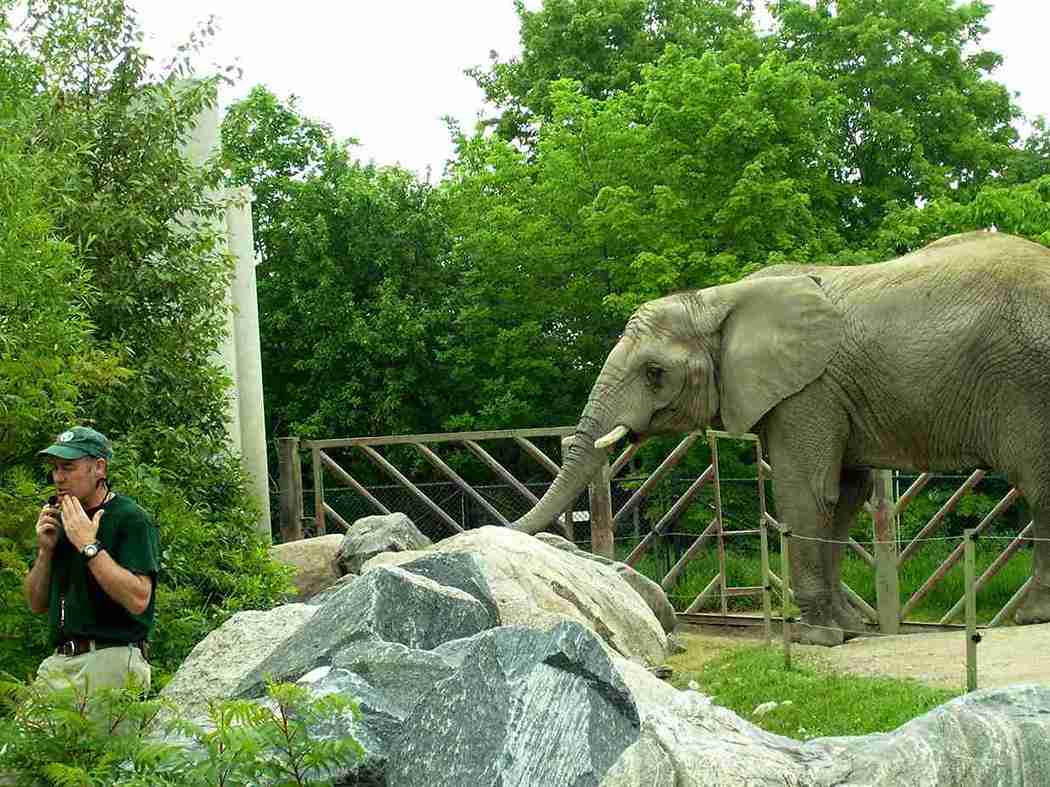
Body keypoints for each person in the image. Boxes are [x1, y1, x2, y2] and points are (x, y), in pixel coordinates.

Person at [23, 426, 160, 697]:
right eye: (55, 468)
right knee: (19, 741)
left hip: (112, 661)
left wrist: (89, 547)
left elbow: (139, 599)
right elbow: (36, 604)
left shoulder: (130, 518)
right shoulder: (60, 518)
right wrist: (45, 552)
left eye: (68, 467)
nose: (58, 478)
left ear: (99, 468)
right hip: (58, 664)